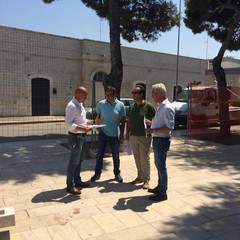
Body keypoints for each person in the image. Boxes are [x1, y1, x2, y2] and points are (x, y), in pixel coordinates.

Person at [145, 83, 175, 202]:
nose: (152, 96)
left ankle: (162, 193)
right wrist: (151, 123)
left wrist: (152, 130)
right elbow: (161, 122)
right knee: (159, 166)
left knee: (161, 167)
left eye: (153, 94)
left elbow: (170, 126)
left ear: (158, 94)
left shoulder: (167, 107)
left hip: (161, 140)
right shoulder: (161, 106)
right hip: (158, 139)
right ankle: (160, 187)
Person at [91, 86, 126, 183]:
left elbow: (123, 120)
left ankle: (117, 174)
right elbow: (95, 114)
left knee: (115, 155)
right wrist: (96, 124)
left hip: (115, 134)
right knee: (99, 155)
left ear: (114, 94)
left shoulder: (120, 105)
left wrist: (122, 134)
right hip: (103, 133)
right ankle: (97, 173)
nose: (108, 97)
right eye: (106, 95)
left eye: (110, 95)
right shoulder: (101, 104)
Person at [65, 86, 94, 195]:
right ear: (77, 93)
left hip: (82, 136)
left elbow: (82, 121)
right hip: (75, 137)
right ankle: (70, 186)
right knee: (73, 162)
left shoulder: (79, 105)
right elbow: (68, 124)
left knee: (79, 161)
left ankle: (77, 181)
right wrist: (83, 128)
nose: (86, 97)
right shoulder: (72, 106)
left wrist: (93, 121)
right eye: (84, 95)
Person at [126, 85, 156, 189]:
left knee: (145, 158)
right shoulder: (131, 107)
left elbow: (156, 121)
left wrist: (151, 124)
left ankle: (146, 180)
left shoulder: (149, 107)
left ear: (141, 94)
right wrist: (127, 134)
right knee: (137, 157)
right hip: (133, 135)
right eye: (132, 93)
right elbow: (128, 122)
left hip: (145, 136)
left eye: (135, 93)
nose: (133, 95)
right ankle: (140, 176)